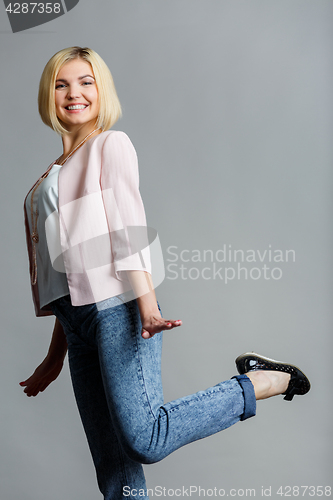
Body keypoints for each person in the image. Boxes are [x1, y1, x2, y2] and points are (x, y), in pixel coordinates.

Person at [19, 46, 310, 500]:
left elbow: (128, 228)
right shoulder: (46, 179)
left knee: (145, 438)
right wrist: (56, 353)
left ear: (102, 91)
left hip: (117, 308)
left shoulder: (109, 146)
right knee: (114, 469)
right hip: (76, 323)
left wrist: (147, 306)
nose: (73, 93)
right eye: (61, 84)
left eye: (86, 82)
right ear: (48, 94)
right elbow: (66, 276)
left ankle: (260, 382)